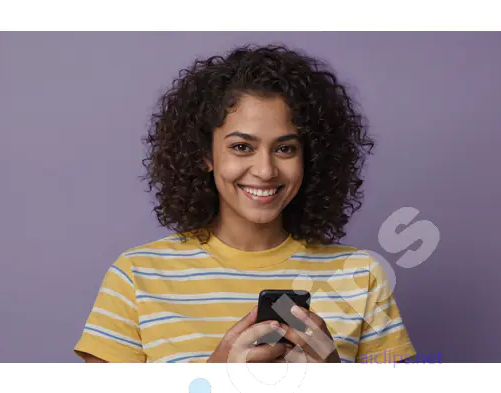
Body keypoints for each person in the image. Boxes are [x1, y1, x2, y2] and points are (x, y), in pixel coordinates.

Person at [73, 45, 416, 363]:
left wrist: (333, 373)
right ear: (205, 154)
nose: (265, 170)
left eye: (285, 148)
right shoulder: (137, 277)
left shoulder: (362, 275)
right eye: (241, 147)